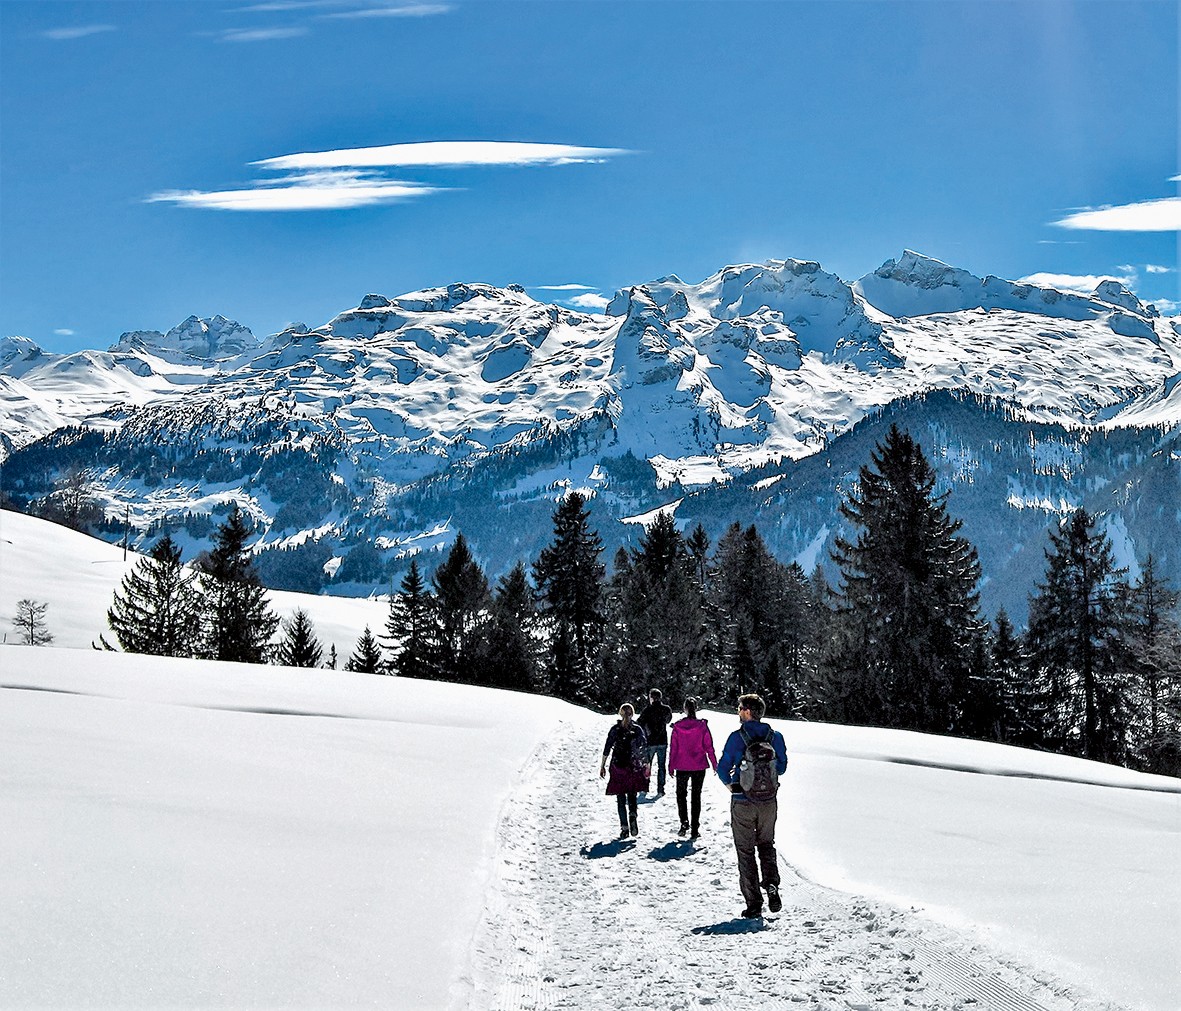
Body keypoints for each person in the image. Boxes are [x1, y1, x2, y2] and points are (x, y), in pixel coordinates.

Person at [716, 693, 788, 918]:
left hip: (743, 801)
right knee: (766, 844)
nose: (738, 712)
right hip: (769, 802)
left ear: (748, 711)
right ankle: (772, 884)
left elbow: (722, 768)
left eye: (739, 708)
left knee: (745, 851)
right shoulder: (775, 737)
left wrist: (731, 785)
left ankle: (754, 903)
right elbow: (783, 767)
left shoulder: (737, 738)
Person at [667, 697, 717, 840]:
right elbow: (709, 746)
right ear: (696, 708)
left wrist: (671, 765)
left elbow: (674, 748)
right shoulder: (702, 726)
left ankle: (684, 823)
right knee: (696, 796)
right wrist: (714, 763)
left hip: (682, 765)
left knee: (681, 795)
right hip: (699, 765)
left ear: (685, 709)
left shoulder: (678, 727)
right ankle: (695, 828)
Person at [600, 703, 650, 838]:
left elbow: (607, 747)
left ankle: (624, 828)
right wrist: (646, 764)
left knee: (620, 797)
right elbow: (643, 748)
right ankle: (633, 814)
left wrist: (603, 765)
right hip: (632, 766)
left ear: (620, 713)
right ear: (632, 714)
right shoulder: (637, 729)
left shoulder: (615, 729)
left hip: (618, 765)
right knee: (632, 794)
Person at [636, 688, 673, 796]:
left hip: (650, 741)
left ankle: (645, 786)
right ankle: (660, 789)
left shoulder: (647, 710)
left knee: (647, 765)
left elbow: (639, 723)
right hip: (662, 740)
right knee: (661, 766)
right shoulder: (666, 709)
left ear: (651, 698)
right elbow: (668, 720)